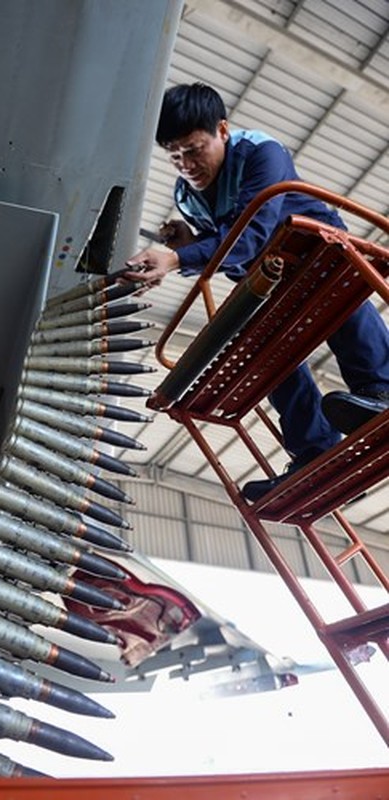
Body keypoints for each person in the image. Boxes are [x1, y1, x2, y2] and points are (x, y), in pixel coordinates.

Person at [122, 82, 389, 501]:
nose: (186, 164)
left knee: (337, 285)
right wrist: (187, 243)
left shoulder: (262, 153)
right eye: (174, 156)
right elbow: (224, 243)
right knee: (263, 352)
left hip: (316, 251)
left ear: (223, 130)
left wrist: (176, 261)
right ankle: (315, 448)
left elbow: (247, 237)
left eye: (194, 149)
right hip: (270, 277)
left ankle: (381, 389)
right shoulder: (185, 195)